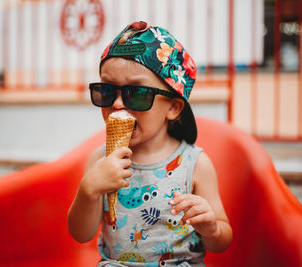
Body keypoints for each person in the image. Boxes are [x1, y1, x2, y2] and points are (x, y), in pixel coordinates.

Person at [68, 21, 232, 267]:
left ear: (173, 107)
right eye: (107, 91)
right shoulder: (99, 161)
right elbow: (81, 235)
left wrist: (211, 228)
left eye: (137, 93)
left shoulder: (195, 165)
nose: (118, 104)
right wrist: (89, 190)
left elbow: (222, 241)